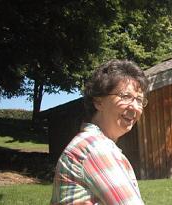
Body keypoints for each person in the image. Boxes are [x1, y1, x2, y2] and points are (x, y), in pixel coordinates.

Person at [50, 59, 149, 205]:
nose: (135, 107)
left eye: (139, 100)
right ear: (98, 102)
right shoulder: (93, 148)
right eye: (126, 96)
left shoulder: (94, 144)